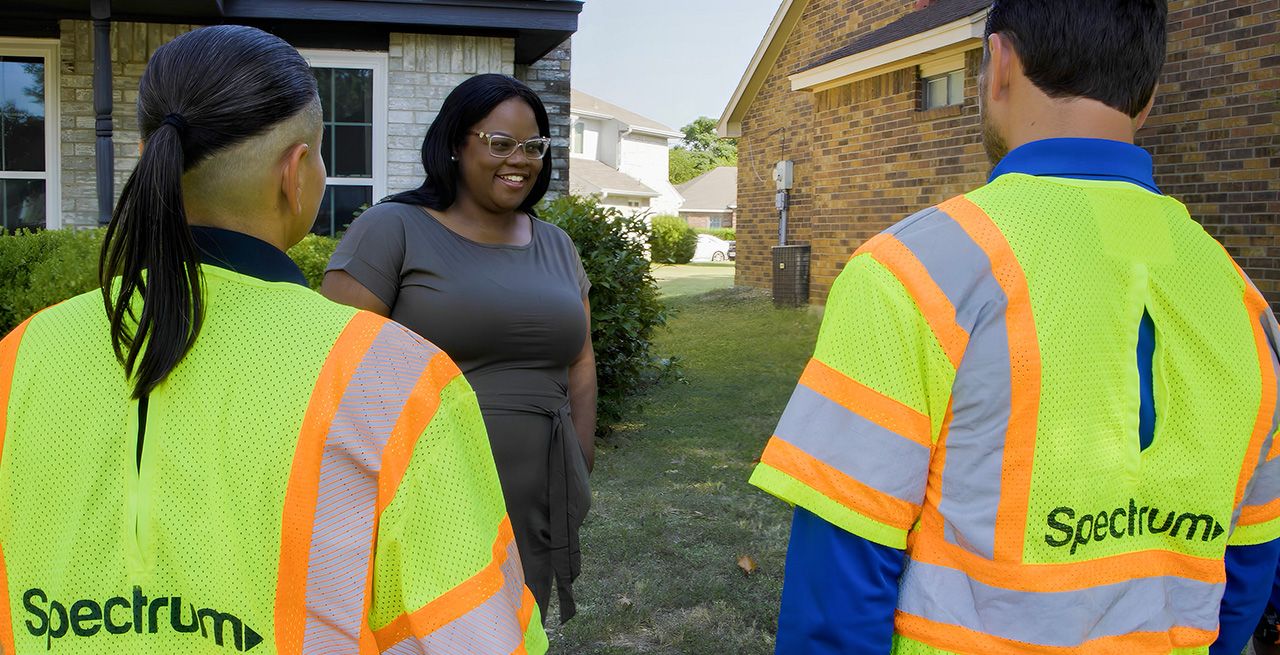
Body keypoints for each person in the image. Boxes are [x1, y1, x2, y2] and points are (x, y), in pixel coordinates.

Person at [750, 1, 1280, 653]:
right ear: (1147, 98)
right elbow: (1248, 566)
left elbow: (837, 589)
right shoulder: (1245, 304)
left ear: (998, 63)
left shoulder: (913, 272)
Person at [0, 25, 546, 654]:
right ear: (296, 172)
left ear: (152, 152)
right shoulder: (389, 376)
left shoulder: (21, 358)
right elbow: (474, 635)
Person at [322, 73, 596, 622]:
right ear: (454, 143)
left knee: (515, 626)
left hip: (535, 494)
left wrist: (578, 465)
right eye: (499, 143)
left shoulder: (556, 244)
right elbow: (332, 370)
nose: (519, 159)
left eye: (534, 146)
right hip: (425, 494)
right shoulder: (393, 229)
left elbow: (580, 363)